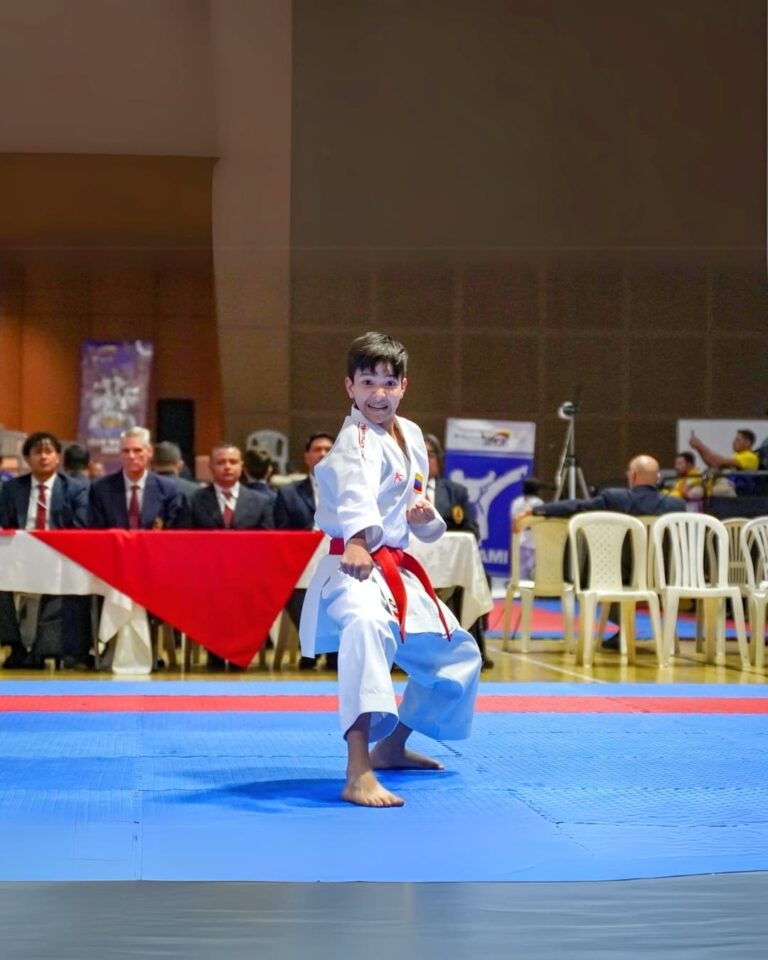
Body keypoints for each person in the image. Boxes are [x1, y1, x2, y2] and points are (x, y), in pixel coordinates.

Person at [299, 332, 482, 807]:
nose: (378, 394)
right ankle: (357, 769)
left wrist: (428, 517)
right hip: (353, 565)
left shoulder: (413, 434)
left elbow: (417, 501)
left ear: (404, 386)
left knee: (458, 656)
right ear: (350, 387)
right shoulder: (351, 439)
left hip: (395, 568)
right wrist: (358, 539)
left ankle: (391, 746)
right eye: (367, 382)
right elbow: (353, 486)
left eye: (388, 382)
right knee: (365, 627)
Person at [514, 454, 686, 650]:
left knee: (600, 566)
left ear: (633, 475)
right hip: (661, 578)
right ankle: (633, 632)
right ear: (657, 479)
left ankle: (624, 628)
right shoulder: (676, 506)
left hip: (618, 578)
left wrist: (536, 510)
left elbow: (577, 506)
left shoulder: (616, 498)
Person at [0, 431, 92, 669]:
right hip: (18, 560)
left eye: (48, 451)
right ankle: (15, 645)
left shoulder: (75, 489)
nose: (43, 457)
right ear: (27, 459)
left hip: (59, 559)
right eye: (37, 452)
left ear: (58, 457)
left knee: (68, 582)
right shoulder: (11, 489)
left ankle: (44, 650)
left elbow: (80, 529)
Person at [190, 442, 275, 671]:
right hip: (206, 577)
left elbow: (268, 542)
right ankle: (215, 654)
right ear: (210, 467)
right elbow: (184, 541)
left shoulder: (260, 501)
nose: (227, 467)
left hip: (248, 577)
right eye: (221, 462)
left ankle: (241, 652)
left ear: (242, 466)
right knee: (213, 593)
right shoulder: (194, 499)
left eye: (232, 462)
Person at [423, 432, 493, 669]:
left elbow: (472, 530)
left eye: (430, 454)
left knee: (476, 575)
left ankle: (473, 648)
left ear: (439, 460)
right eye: (417, 453)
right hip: (409, 564)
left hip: (449, 564)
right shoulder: (398, 490)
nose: (424, 458)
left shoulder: (455, 492)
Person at [275, 431, 335, 670]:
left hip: (339, 557)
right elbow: (280, 532)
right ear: (307, 457)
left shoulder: (352, 490)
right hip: (301, 562)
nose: (322, 454)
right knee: (293, 591)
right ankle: (311, 646)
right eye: (317, 450)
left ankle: (333, 651)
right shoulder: (288, 493)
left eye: (328, 450)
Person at [89, 427, 188, 530]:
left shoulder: (168, 489)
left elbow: (173, 531)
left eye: (137, 450)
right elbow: (97, 531)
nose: (131, 456)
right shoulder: (100, 489)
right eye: (126, 451)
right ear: (120, 454)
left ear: (150, 452)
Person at [689, 429, 759, 495]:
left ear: (747, 443)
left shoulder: (750, 457)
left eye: (737, 440)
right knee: (694, 490)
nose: (733, 442)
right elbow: (713, 463)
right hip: (728, 485)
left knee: (696, 493)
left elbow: (717, 461)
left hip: (736, 491)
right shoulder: (737, 456)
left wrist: (700, 446)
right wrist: (698, 448)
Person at [510, 477, 546, 579]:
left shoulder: (516, 502)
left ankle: (518, 590)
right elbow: (539, 521)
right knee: (531, 572)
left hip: (519, 541)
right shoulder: (538, 502)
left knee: (519, 571)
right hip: (532, 542)